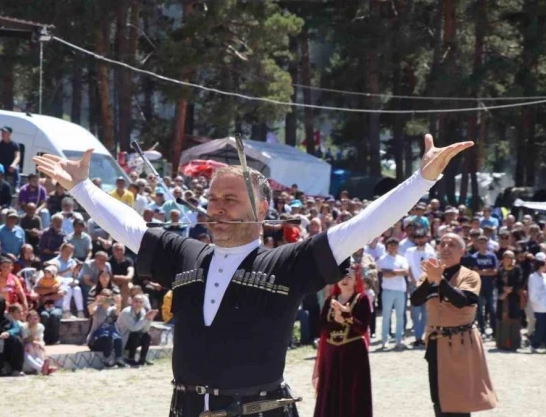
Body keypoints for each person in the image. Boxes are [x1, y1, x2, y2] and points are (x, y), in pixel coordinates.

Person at [33, 133, 470, 416]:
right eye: (212, 199)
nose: (217, 208)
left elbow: (361, 226)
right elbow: (130, 227)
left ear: (261, 210)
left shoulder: (287, 263)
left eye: (231, 200)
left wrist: (421, 180)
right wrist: (81, 188)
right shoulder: (184, 253)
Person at [410, 233, 497, 417]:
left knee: (460, 399)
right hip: (436, 342)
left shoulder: (470, 276)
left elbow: (462, 301)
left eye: (452, 244)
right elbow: (416, 300)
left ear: (462, 251)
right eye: (442, 244)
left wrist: (440, 280)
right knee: (439, 398)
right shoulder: (428, 275)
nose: (446, 248)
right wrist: (430, 280)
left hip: (461, 341)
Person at [312, 263, 372, 417]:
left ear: (356, 279)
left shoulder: (362, 299)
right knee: (331, 390)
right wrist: (335, 320)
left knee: (352, 392)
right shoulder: (330, 300)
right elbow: (322, 327)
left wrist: (346, 317)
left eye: (349, 277)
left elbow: (362, 328)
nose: (345, 280)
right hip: (332, 353)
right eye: (342, 277)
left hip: (353, 353)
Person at [117, 293, 157, 366]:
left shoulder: (143, 311)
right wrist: (145, 318)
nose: (138, 304)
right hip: (122, 340)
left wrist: (149, 319)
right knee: (135, 335)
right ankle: (131, 359)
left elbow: (144, 330)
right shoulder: (126, 312)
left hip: (134, 339)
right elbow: (133, 328)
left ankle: (142, 359)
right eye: (136, 301)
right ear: (131, 302)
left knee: (147, 336)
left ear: (143, 304)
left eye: (140, 302)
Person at [496, 250, 524, 351]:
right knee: (503, 319)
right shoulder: (500, 270)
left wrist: (509, 290)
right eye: (507, 257)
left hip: (514, 298)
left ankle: (514, 344)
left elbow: (520, 281)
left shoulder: (517, 269)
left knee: (514, 319)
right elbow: (497, 283)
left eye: (511, 257)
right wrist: (503, 290)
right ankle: (503, 344)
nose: (508, 259)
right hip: (503, 298)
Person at [529, 252, 546, 353]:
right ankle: (534, 345)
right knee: (540, 327)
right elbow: (533, 293)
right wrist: (539, 302)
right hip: (539, 307)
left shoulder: (545, 276)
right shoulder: (533, 277)